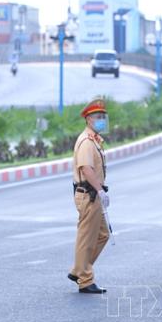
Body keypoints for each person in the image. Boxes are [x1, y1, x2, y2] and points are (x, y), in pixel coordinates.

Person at [67, 98, 111, 294]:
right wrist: (100, 190)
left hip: (93, 194)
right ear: (88, 119)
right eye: (97, 117)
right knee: (86, 238)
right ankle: (84, 279)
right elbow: (86, 168)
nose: (101, 120)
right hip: (89, 194)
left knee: (103, 234)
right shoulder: (86, 142)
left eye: (103, 116)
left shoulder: (95, 140)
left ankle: (79, 269)